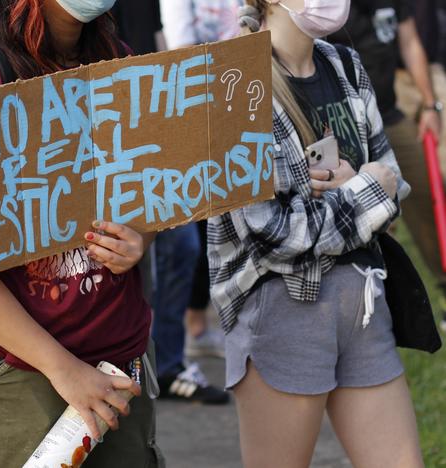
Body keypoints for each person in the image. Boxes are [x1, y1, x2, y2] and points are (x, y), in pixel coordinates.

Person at [0, 1, 164, 466]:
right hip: (10, 375)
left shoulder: (117, 57)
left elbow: (146, 191)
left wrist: (139, 238)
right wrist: (62, 368)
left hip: (117, 361)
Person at [208, 1, 423, 466]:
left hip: (364, 307)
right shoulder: (231, 80)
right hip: (285, 314)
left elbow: (394, 182)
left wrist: (359, 192)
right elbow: (273, 232)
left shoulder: (344, 63)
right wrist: (365, 192)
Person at [330, 1, 444, 325]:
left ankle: (444, 283)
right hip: (345, 128)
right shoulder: (328, 8)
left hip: (391, 117)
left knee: (429, 197)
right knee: (367, 221)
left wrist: (429, 105)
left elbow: (409, 41)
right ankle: (373, 309)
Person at [159, 0, 244, 360]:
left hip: (238, 104)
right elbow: (182, 50)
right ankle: (182, 337)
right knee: (194, 233)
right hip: (195, 113)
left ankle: (201, 326)